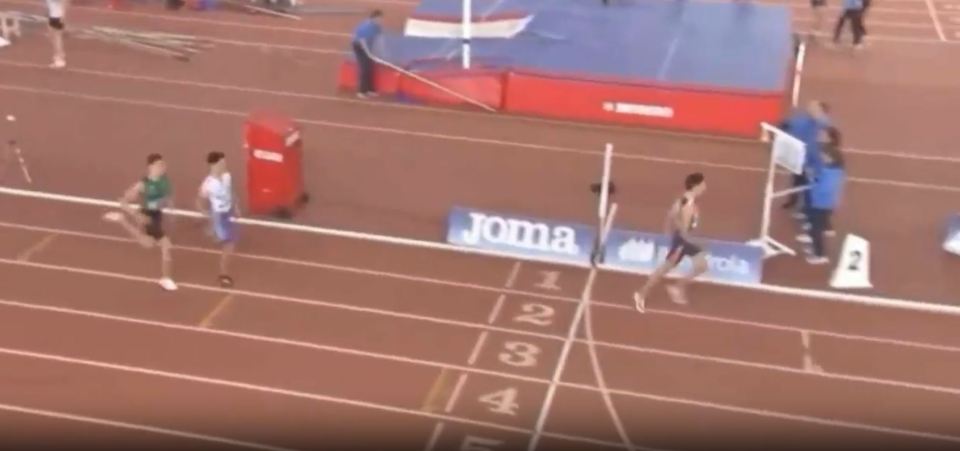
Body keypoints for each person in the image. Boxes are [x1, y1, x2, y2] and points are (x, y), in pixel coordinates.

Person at [634, 173, 709, 312]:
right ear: (695, 186)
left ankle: (677, 287)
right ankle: (641, 294)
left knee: (701, 266)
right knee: (665, 268)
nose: (705, 186)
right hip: (683, 242)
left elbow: (672, 215)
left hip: (683, 239)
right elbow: (684, 228)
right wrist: (695, 242)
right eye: (703, 184)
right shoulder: (688, 204)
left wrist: (668, 229)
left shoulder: (684, 199)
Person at [102, 154, 177, 291]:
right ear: (151, 167)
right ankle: (166, 278)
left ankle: (121, 220)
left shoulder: (164, 180)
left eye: (163, 164)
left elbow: (167, 197)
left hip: (157, 216)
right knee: (165, 245)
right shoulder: (143, 185)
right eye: (159, 165)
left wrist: (171, 211)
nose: (163, 167)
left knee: (147, 244)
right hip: (147, 216)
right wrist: (135, 214)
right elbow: (124, 200)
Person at [798, 129, 846, 264]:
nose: (822, 157)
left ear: (830, 158)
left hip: (819, 203)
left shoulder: (829, 173)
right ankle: (815, 249)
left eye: (823, 156)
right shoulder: (834, 170)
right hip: (822, 202)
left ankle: (819, 255)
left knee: (815, 228)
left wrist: (812, 180)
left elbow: (822, 188)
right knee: (815, 227)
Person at [779, 100, 831, 218]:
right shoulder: (804, 119)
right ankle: (793, 200)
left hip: (813, 161)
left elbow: (823, 127)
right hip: (801, 157)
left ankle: (809, 210)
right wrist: (783, 125)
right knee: (797, 181)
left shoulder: (823, 123)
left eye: (814, 107)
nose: (810, 108)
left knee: (810, 186)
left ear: (821, 111)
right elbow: (791, 124)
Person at [196, 151, 239, 288]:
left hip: (228, 212)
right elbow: (199, 199)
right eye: (222, 162)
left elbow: (231, 191)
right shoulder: (208, 184)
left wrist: (236, 206)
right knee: (229, 245)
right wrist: (205, 212)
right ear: (214, 164)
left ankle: (213, 232)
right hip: (219, 216)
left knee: (228, 242)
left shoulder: (227, 176)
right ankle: (223, 275)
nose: (225, 164)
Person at [352, 10, 383, 99]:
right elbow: (363, 42)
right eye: (379, 19)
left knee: (371, 68)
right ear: (374, 18)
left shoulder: (377, 27)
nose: (381, 21)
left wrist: (378, 53)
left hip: (368, 46)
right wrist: (369, 54)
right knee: (365, 68)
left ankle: (370, 90)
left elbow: (379, 39)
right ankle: (361, 91)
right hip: (359, 47)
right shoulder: (365, 27)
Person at [45, 0, 67, 68]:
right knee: (53, 37)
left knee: (56, 38)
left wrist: (63, 16)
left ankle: (59, 58)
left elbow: (63, 2)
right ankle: (60, 54)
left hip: (57, 17)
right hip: (53, 16)